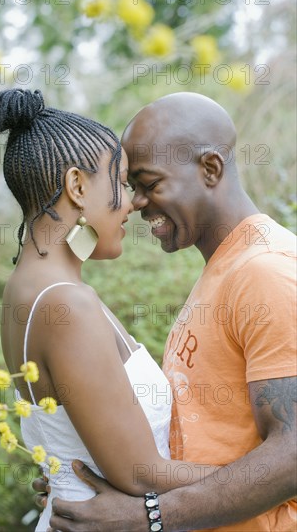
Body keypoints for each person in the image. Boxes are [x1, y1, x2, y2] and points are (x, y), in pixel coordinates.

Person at [43, 93, 297, 531]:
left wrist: (149, 517)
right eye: (130, 187)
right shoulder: (224, 269)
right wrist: (81, 482)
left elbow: (292, 452)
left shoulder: (265, 271)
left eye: (149, 183)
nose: (136, 203)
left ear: (210, 169)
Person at [0, 89, 221, 532]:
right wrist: (268, 477)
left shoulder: (29, 287)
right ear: (76, 186)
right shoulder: (64, 302)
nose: (132, 202)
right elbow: (140, 472)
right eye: (121, 182)